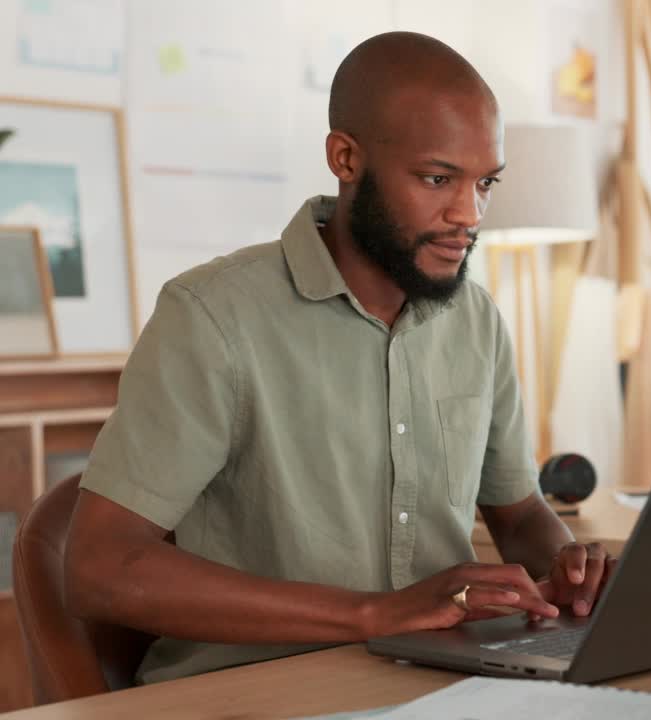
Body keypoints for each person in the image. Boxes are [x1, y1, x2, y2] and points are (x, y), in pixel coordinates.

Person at [63, 32, 613, 684]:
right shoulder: (211, 317)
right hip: (258, 692)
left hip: (446, 683)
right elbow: (98, 566)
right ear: (346, 158)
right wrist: (374, 614)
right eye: (438, 179)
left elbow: (518, 514)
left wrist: (570, 569)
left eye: (485, 182)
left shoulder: (477, 321)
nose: (469, 214)